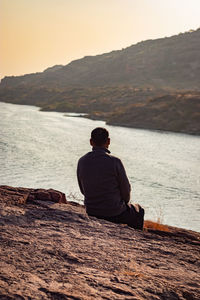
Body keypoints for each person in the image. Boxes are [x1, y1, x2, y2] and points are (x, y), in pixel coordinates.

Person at [77, 127, 144, 230]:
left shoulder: (82, 161)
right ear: (108, 141)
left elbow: (83, 190)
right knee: (139, 210)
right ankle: (135, 239)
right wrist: (123, 203)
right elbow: (126, 191)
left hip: (91, 211)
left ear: (91, 142)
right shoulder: (115, 162)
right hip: (114, 212)